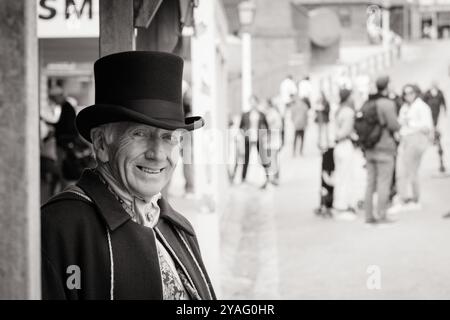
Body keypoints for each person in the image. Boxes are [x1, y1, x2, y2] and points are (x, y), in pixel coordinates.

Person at [41, 51, 216, 300]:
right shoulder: (60, 228)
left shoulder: (177, 227)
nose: (158, 154)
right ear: (101, 144)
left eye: (169, 138)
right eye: (140, 134)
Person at [389, 84, 434, 214]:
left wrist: (411, 125)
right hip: (405, 140)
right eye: (405, 93)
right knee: (401, 171)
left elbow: (427, 127)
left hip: (415, 140)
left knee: (410, 171)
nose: (408, 95)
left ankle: (412, 199)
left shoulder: (422, 107)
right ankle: (404, 197)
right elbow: (400, 123)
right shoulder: (405, 107)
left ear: (416, 93)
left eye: (410, 92)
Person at [363, 76, 401, 224]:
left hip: (369, 148)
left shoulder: (368, 103)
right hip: (384, 147)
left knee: (370, 183)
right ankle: (382, 214)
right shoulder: (387, 104)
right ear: (386, 87)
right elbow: (394, 125)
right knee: (383, 182)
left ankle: (368, 215)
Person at [333, 88, 357, 220]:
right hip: (345, 144)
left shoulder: (339, 110)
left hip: (338, 145)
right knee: (346, 177)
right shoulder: (348, 112)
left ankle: (341, 204)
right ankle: (344, 205)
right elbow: (346, 131)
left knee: (341, 176)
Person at [239, 95, 271, 189]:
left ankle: (267, 177)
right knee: (246, 159)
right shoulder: (245, 114)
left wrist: (265, 136)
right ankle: (243, 178)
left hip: (258, 139)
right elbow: (241, 127)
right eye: (251, 102)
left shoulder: (261, 114)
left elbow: (267, 127)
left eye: (254, 102)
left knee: (263, 158)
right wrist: (244, 134)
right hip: (248, 139)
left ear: (257, 103)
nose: (253, 104)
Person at [423, 82, 447, 173]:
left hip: (437, 121)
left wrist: (442, 120)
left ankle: (441, 163)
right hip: (429, 121)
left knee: (439, 142)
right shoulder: (427, 95)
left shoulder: (440, 94)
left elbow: (444, 106)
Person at [265, 98, 283, 185]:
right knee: (269, 159)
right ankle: (271, 177)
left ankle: (275, 178)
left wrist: (270, 128)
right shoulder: (266, 113)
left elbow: (279, 126)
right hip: (267, 140)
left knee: (273, 159)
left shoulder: (274, 113)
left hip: (274, 140)